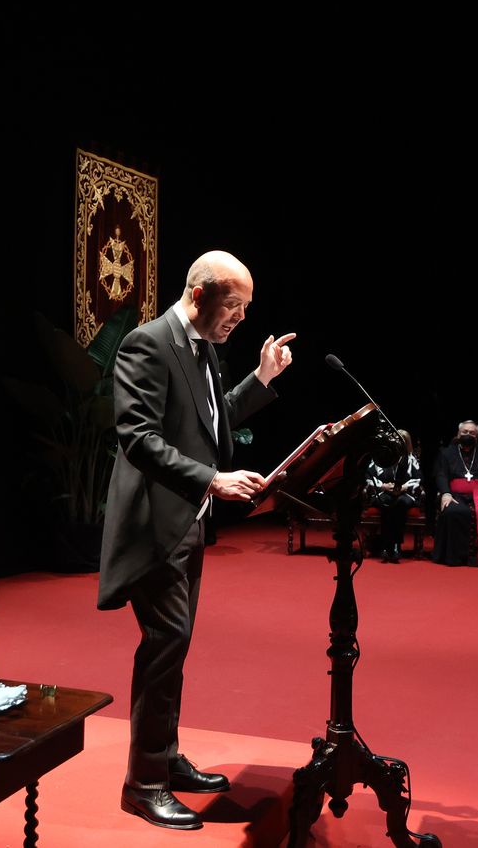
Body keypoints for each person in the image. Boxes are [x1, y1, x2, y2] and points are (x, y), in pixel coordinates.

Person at [97, 250, 296, 830]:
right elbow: (137, 437)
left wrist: (262, 378)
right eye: (234, 305)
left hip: (188, 523)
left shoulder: (202, 348)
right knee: (166, 643)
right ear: (201, 293)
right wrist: (213, 478)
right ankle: (144, 782)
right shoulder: (147, 343)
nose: (240, 317)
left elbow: (214, 422)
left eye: (245, 308)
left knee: (173, 648)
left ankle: (165, 757)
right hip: (155, 527)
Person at [431, 419, 478, 566]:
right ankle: (455, 557)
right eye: (465, 432)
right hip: (455, 495)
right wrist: (445, 493)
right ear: (458, 434)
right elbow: (441, 475)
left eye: (472, 433)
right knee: (453, 512)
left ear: (477, 436)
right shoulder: (446, 453)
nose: (468, 434)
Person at [365, 429, 421, 563]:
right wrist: (382, 486)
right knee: (387, 503)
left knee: (399, 503)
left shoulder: (411, 459)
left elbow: (418, 478)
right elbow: (368, 476)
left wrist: (402, 487)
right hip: (382, 492)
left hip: (405, 494)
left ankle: (394, 545)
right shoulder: (379, 457)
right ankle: (389, 546)